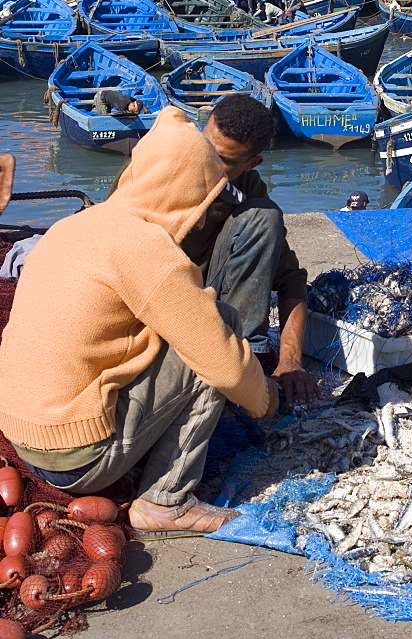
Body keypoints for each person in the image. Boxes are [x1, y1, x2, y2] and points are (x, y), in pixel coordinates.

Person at [0, 107, 279, 536]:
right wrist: (264, 401)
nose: (202, 217)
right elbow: (223, 363)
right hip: (75, 460)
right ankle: (165, 502)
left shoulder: (74, 225)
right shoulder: (148, 250)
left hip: (22, 433)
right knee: (216, 337)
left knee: (191, 335)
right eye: (202, 199)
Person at [180, 95, 319, 405]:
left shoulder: (249, 189)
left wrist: (290, 360)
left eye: (225, 162)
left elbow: (290, 279)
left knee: (263, 216)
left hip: (208, 310)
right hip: (157, 305)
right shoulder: (160, 168)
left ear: (251, 163)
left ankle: (246, 363)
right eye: (206, 149)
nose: (208, 164)